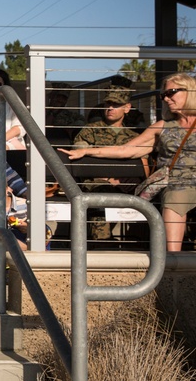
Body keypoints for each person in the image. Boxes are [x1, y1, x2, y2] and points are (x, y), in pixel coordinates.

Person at [63, 73, 196, 252]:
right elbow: (125, 150)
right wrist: (86, 150)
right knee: (177, 195)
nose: (166, 98)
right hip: (176, 184)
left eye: (171, 92)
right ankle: (173, 261)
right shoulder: (162, 126)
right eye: (163, 95)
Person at [72, 84, 140, 240]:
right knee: (102, 193)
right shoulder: (90, 130)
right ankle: (102, 243)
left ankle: (138, 243)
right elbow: (81, 158)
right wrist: (108, 179)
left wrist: (123, 180)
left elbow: (142, 164)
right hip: (96, 183)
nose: (110, 108)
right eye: (107, 104)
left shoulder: (134, 136)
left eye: (116, 105)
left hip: (126, 184)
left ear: (127, 108)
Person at [45, 81, 85, 146]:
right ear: (51, 96)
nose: (60, 100)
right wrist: (52, 112)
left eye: (64, 98)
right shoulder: (40, 112)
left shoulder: (72, 116)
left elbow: (81, 126)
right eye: (58, 96)